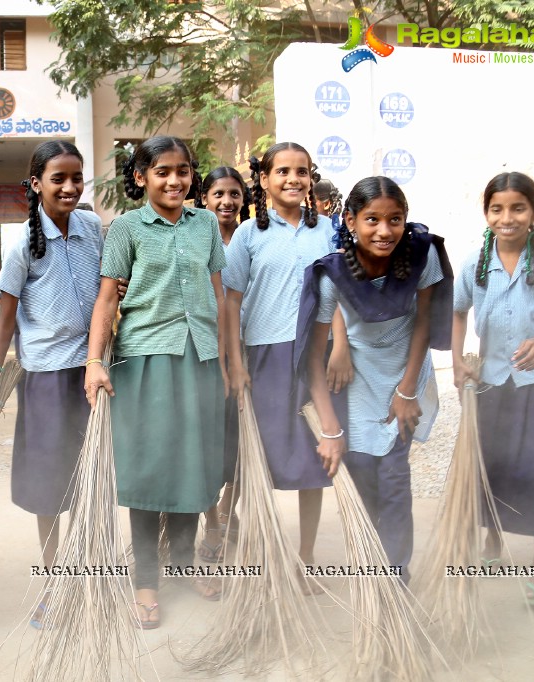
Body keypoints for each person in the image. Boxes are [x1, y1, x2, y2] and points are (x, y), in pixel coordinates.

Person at [84, 135, 228, 628]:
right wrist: (94, 361)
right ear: (141, 177)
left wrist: (229, 359)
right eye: (162, 171)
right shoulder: (126, 228)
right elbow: (107, 300)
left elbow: (218, 295)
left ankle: (183, 563)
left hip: (200, 358)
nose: (174, 180)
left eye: (183, 171)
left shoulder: (207, 223)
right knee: (148, 469)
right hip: (145, 359)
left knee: (194, 465)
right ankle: (146, 580)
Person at [0, 141, 102, 629]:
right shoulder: (23, 243)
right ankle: (54, 585)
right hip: (46, 376)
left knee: (92, 480)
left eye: (76, 177)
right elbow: (4, 324)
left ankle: (90, 578)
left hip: (91, 372)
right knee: (49, 486)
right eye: (58, 179)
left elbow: (108, 295)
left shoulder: (93, 229)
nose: (69, 187)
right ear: (36, 184)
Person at [299, 175, 453, 584]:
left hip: (404, 373)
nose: (385, 231)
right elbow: (314, 358)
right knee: (363, 481)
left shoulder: (422, 254)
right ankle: (370, 578)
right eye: (372, 220)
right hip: (357, 380)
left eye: (395, 220)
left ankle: (396, 582)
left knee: (395, 483)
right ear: (350, 220)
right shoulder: (331, 275)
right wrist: (330, 429)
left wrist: (407, 391)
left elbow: (422, 325)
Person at [453, 171, 534, 606]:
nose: (506, 218)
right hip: (493, 381)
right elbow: (456, 313)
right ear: (487, 214)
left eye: (517, 208)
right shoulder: (475, 262)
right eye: (497, 209)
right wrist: (458, 362)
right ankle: (492, 546)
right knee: (493, 464)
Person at [223, 144, 349, 585]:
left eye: (301, 171)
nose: (293, 179)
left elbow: (339, 292)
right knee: (260, 456)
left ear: (311, 178)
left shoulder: (329, 231)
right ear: (264, 179)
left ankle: (306, 557)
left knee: (313, 458)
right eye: (282, 171)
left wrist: (341, 345)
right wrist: (236, 363)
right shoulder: (248, 235)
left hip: (315, 350)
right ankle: (260, 554)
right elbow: (232, 302)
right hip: (265, 354)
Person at [194, 166, 251, 563]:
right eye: (218, 194)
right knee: (208, 442)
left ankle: (230, 510)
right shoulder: (196, 237)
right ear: (204, 199)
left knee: (245, 441)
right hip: (207, 353)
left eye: (234, 194)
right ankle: (212, 522)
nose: (226, 202)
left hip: (249, 351)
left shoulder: (251, 237)